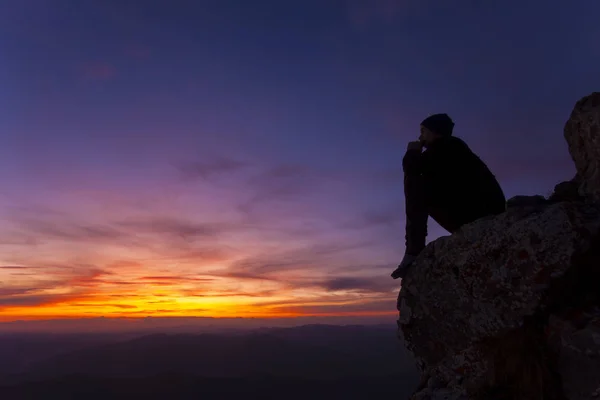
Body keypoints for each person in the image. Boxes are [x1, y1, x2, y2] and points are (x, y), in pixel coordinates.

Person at [391, 113, 506, 279]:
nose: (420, 136)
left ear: (435, 131)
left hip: (479, 213)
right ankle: (413, 250)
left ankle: (413, 251)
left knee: (414, 183)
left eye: (423, 131)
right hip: (477, 211)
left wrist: (412, 151)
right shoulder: (451, 148)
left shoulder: (448, 146)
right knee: (417, 182)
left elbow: (412, 170)